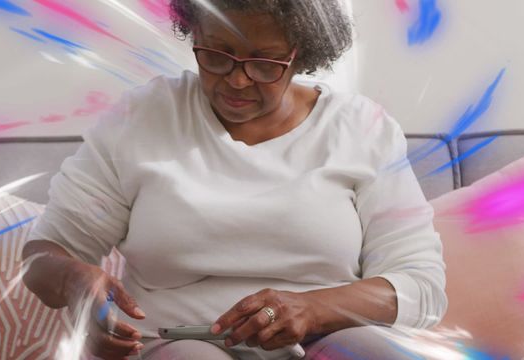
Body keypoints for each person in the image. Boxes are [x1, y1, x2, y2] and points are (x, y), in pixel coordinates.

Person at [22, 0, 447, 359]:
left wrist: (314, 308)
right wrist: (74, 282)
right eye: (217, 54)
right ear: (195, 33)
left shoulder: (361, 128)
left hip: (322, 341)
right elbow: (44, 255)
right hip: (176, 343)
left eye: (264, 63)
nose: (237, 79)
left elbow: (420, 287)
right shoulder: (145, 117)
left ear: (301, 53)